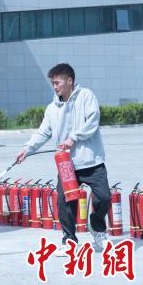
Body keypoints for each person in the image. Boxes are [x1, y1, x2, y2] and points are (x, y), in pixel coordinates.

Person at [15, 63, 109, 254]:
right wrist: (27, 149)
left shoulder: (86, 96)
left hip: (92, 160)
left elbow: (93, 120)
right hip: (67, 163)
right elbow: (43, 132)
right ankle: (69, 240)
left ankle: (96, 226)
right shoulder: (52, 108)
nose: (55, 86)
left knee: (104, 198)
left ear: (69, 81)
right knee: (65, 202)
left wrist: (73, 138)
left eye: (57, 82)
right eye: (53, 83)